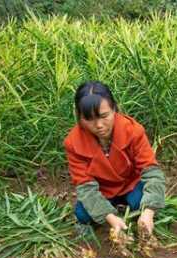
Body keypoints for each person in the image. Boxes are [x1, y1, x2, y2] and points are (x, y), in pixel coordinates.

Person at [64, 81, 165, 235]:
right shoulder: (73, 142)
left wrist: (149, 211)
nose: (99, 125)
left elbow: (151, 171)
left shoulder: (132, 131)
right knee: (83, 214)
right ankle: (112, 211)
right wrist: (110, 218)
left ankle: (138, 211)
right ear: (79, 117)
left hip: (130, 184)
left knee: (141, 203)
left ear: (114, 109)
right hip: (101, 190)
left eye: (104, 116)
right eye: (89, 119)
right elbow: (85, 187)